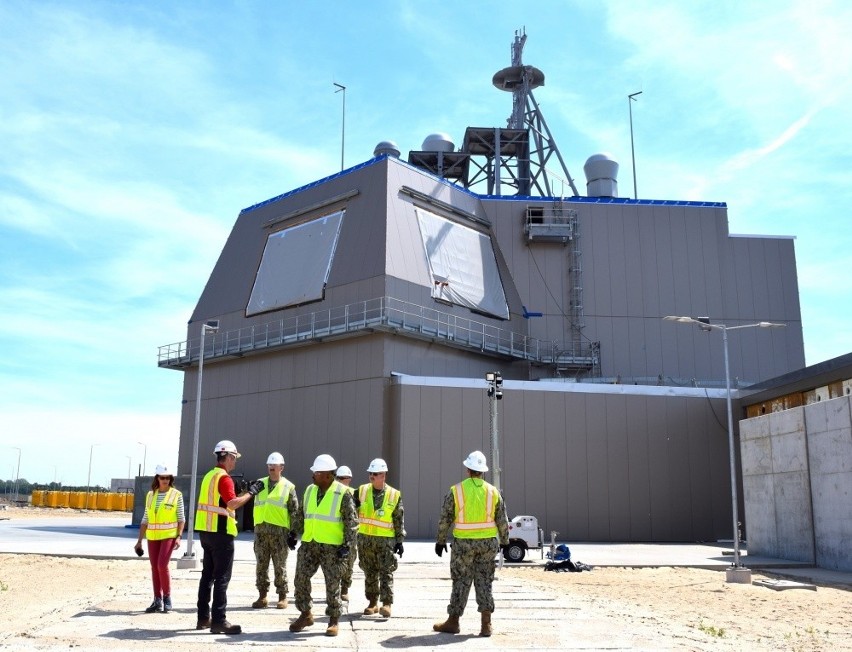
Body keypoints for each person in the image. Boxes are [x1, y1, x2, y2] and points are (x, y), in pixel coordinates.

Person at [433, 450, 509, 638]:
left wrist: (440, 540)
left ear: (468, 469)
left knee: (461, 580)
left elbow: (445, 518)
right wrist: (505, 541)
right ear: (482, 471)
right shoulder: (493, 492)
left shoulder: (456, 490)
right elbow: (502, 519)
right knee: (485, 581)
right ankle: (486, 624)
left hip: (464, 545)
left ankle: (453, 621)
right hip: (487, 545)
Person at [195, 439, 261, 635]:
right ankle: (219, 620)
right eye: (234, 458)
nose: (235, 462)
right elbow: (231, 504)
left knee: (207, 575)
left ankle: (203, 618)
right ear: (229, 457)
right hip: (221, 534)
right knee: (222, 578)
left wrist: (239, 492)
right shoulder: (224, 478)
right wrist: (250, 493)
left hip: (206, 532)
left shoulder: (209, 476)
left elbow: (220, 501)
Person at [289, 454, 358, 637]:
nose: (313, 475)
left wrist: (347, 545)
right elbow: (301, 514)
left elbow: (352, 522)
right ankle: (305, 614)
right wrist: (293, 532)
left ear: (328, 474)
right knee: (301, 578)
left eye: (317, 472)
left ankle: (334, 620)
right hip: (310, 543)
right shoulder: (310, 490)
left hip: (332, 547)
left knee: (332, 584)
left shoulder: (343, 493)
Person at [356, 458, 405, 618]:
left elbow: (398, 518)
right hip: (365, 540)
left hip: (385, 542)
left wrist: (399, 541)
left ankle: (387, 604)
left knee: (386, 572)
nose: (371, 476)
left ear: (383, 475)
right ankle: (372, 603)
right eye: (370, 473)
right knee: (369, 572)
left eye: (375, 473)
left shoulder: (394, 495)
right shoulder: (361, 491)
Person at [251, 451, 299, 610]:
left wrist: (293, 532)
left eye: (274, 465)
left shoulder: (288, 487)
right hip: (261, 532)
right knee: (261, 565)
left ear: (281, 467)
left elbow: (294, 511)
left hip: (279, 534)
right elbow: (247, 496)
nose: (271, 467)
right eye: (269, 465)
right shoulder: (259, 484)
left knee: (280, 565)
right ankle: (262, 596)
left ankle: (282, 596)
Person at [134, 464, 185, 614]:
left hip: (168, 535)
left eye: (168, 478)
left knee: (162, 565)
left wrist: (179, 536)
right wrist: (139, 541)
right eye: (162, 477)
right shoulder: (150, 495)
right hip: (153, 537)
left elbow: (181, 518)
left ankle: (167, 598)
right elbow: (145, 519)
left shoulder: (176, 495)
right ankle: (157, 600)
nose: (165, 480)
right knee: (154, 567)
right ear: (157, 478)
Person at [334, 465, 357, 602]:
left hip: (351, 536)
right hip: (336, 532)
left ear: (350, 479)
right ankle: (334, 589)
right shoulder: (333, 493)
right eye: (340, 478)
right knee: (334, 563)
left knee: (349, 563)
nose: (342, 481)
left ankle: (345, 589)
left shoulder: (355, 493)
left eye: (345, 478)